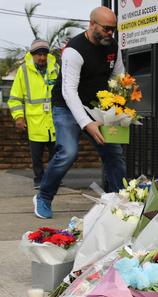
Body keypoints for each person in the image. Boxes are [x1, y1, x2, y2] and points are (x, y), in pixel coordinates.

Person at [34, 6, 126, 219]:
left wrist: (120, 109)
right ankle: (44, 196)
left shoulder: (112, 46)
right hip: (66, 106)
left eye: (113, 29)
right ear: (92, 24)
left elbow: (119, 78)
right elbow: (69, 91)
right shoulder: (74, 50)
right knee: (68, 152)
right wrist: (86, 123)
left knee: (114, 153)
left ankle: (120, 202)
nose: (110, 33)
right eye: (106, 28)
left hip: (96, 106)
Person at [8, 39, 59, 189]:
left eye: (44, 54)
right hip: (35, 122)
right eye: (38, 54)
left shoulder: (56, 68)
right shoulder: (23, 71)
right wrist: (18, 117)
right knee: (36, 156)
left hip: (54, 120)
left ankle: (53, 179)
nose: (42, 57)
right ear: (32, 55)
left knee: (56, 154)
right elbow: (15, 97)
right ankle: (39, 179)